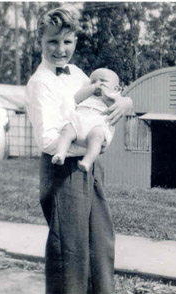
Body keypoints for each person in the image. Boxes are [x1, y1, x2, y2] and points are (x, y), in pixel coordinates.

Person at [25, 7, 132, 294]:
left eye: (67, 42)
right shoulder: (40, 83)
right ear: (41, 42)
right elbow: (48, 140)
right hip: (61, 168)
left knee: (100, 242)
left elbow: (103, 100)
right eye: (53, 42)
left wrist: (125, 102)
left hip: (88, 167)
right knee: (69, 251)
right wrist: (91, 141)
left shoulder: (78, 74)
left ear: (75, 41)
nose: (61, 50)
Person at [52, 68, 122, 172]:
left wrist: (107, 95)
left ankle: (87, 162)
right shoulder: (88, 94)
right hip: (79, 121)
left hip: (97, 123)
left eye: (103, 81)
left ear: (116, 88)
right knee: (67, 130)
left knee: (98, 136)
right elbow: (76, 98)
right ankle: (60, 154)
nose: (98, 84)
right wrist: (92, 88)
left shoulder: (116, 97)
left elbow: (116, 106)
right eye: (93, 81)